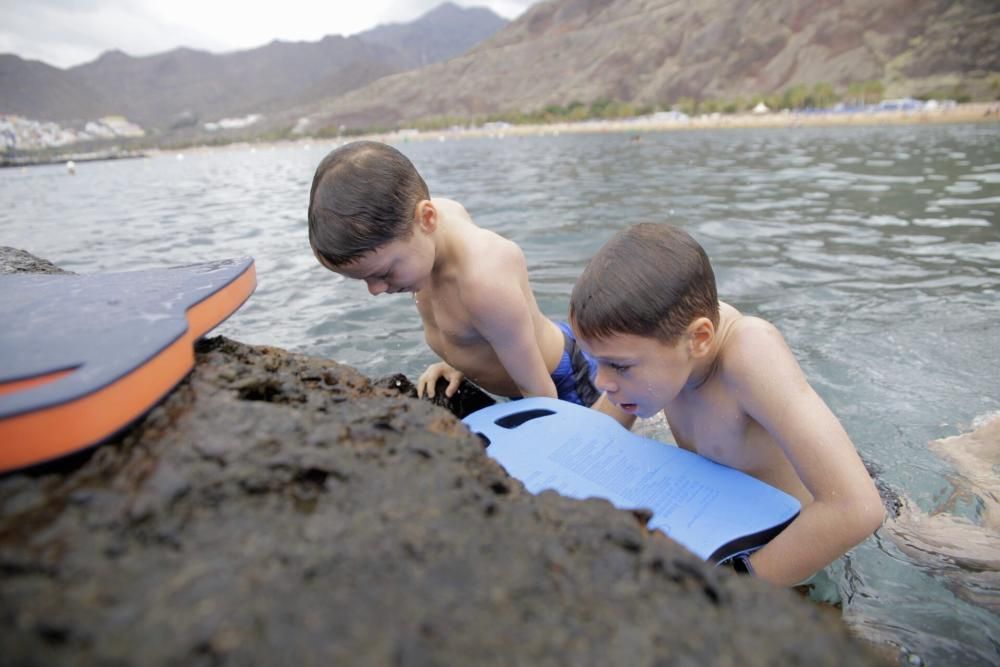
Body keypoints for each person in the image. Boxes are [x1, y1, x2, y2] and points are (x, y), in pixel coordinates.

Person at [569, 223, 884, 586]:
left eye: (619, 366)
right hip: (734, 521)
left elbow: (857, 509)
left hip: (823, 522)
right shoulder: (666, 341)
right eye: (596, 362)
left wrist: (729, 590)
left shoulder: (749, 356)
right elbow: (594, 433)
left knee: (938, 554)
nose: (601, 383)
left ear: (699, 339)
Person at [307, 140, 626, 419]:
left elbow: (540, 395)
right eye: (363, 280)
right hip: (519, 356)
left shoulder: (484, 281)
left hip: (559, 382)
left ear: (427, 218)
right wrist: (462, 364)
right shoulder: (428, 225)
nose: (376, 290)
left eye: (384, 273)